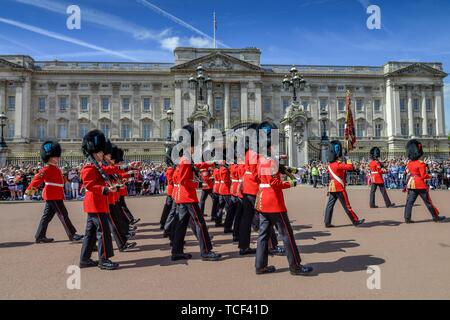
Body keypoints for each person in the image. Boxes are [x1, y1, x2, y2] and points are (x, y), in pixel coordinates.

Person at [254, 121, 313, 276]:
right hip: (274, 202)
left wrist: (294, 171)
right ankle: (295, 266)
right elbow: (275, 183)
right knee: (287, 234)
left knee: (263, 235)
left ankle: (260, 266)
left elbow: (271, 173)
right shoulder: (270, 160)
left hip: (261, 201)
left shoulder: (260, 159)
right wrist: (292, 182)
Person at [170, 124, 221, 261]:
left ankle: (176, 251)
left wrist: (210, 164)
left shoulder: (185, 158)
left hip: (182, 197)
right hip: (188, 196)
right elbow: (182, 180)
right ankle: (206, 251)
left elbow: (194, 167)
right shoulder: (186, 159)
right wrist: (198, 183)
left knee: (181, 225)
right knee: (200, 223)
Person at [25, 141, 83, 244]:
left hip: (56, 194)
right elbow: (36, 180)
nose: (58, 158)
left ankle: (40, 236)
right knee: (63, 214)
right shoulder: (46, 169)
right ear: (51, 157)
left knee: (47, 217)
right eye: (56, 156)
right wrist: (29, 192)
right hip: (52, 195)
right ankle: (72, 235)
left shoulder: (55, 168)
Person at [79, 130, 119, 270]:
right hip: (95, 203)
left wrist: (126, 168)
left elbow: (108, 172)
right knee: (103, 231)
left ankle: (84, 259)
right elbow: (89, 185)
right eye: (101, 152)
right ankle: (103, 259)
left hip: (96, 203)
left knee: (90, 233)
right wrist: (106, 190)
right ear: (94, 152)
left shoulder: (97, 166)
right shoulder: (89, 167)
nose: (103, 154)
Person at [324, 141, 365, 228]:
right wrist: (347, 158)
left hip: (332, 187)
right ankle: (355, 221)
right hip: (339, 187)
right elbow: (350, 167)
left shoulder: (330, 165)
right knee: (347, 205)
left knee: (330, 205)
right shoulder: (337, 164)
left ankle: (327, 222)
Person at [404, 139, 446, 224]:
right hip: (419, 184)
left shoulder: (410, 163)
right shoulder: (421, 163)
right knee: (428, 202)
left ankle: (407, 218)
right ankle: (435, 217)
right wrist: (430, 176)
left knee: (410, 202)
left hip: (412, 184)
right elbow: (423, 176)